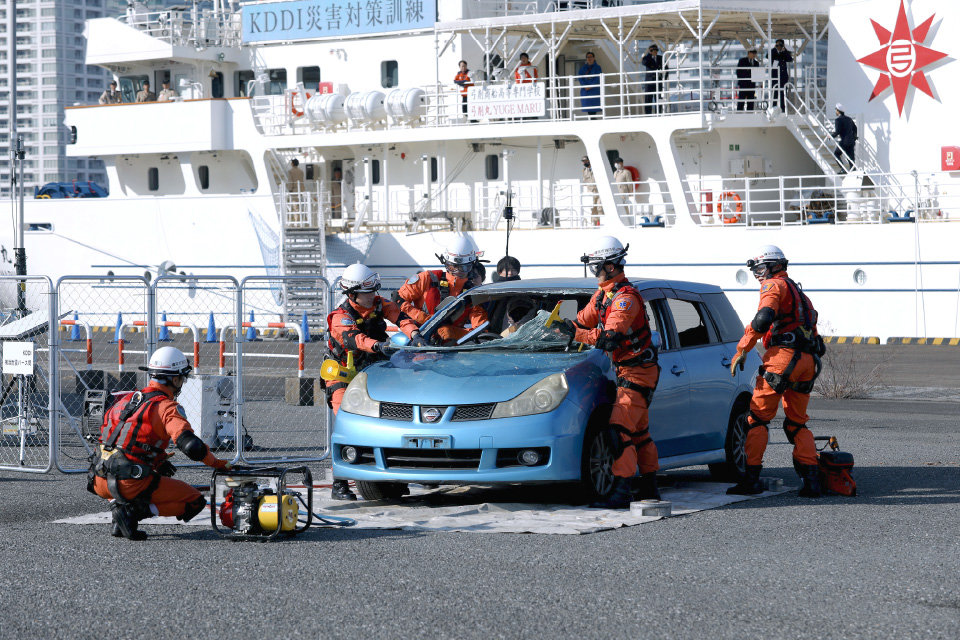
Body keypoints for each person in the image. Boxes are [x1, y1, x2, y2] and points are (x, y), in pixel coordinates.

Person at [555, 236, 660, 508]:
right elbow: (582, 320)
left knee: (618, 430)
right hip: (630, 370)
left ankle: (621, 491)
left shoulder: (625, 298)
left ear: (611, 266)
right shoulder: (604, 295)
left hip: (638, 372)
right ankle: (649, 487)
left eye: (596, 266)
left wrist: (576, 333)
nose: (594, 271)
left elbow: (609, 338)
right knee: (639, 433)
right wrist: (558, 328)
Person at [88, 347, 232, 540]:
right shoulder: (167, 407)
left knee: (139, 476)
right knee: (195, 501)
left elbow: (115, 438)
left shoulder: (124, 400)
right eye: (182, 378)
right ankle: (131, 513)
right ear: (175, 379)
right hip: (130, 482)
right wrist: (217, 463)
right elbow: (192, 447)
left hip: (99, 479)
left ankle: (120, 515)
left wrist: (157, 459)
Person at [728, 245, 826, 498]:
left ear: (774, 266)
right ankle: (812, 481)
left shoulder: (773, 286)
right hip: (808, 362)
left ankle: (750, 480)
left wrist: (743, 348)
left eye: (761, 268)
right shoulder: (800, 293)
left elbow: (763, 318)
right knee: (796, 423)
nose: (759, 274)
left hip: (783, 359)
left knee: (757, 418)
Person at [325, 264, 425, 500]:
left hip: (373, 371)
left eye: (374, 289)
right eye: (367, 290)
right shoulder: (340, 317)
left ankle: (392, 479)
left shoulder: (379, 304)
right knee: (346, 426)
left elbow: (401, 318)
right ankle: (340, 484)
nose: (373, 294)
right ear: (352, 294)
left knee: (392, 417)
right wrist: (378, 346)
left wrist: (415, 334)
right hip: (342, 375)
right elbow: (354, 339)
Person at [396, 237, 489, 342]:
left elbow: (480, 330)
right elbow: (398, 300)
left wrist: (455, 333)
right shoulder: (427, 278)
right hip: (419, 341)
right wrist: (424, 319)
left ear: (472, 265)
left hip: (452, 349)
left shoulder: (472, 293)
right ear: (446, 264)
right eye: (453, 267)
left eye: (465, 267)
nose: (459, 271)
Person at [578, 52, 602, 118]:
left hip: (594, 90)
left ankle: (592, 121)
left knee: (594, 109)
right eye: (588, 57)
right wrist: (585, 86)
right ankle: (592, 121)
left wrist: (591, 86)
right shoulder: (582, 68)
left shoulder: (597, 68)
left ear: (593, 58)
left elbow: (597, 77)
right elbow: (580, 78)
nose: (589, 58)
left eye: (591, 57)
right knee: (588, 109)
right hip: (586, 91)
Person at [770, 39, 793, 110]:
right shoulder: (773, 53)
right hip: (775, 76)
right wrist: (775, 48)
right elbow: (768, 56)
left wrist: (784, 50)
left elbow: (790, 59)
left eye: (780, 45)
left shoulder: (784, 53)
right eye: (777, 45)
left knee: (783, 94)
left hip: (783, 77)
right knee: (775, 93)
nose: (778, 46)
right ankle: (773, 107)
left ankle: (783, 109)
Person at [641, 45, 664, 115]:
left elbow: (666, 68)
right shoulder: (646, 58)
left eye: (655, 51)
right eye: (653, 51)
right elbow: (644, 63)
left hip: (658, 81)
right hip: (649, 82)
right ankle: (648, 115)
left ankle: (659, 113)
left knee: (659, 99)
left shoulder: (660, 58)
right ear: (650, 51)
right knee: (648, 99)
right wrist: (650, 54)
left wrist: (663, 78)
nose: (655, 52)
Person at [833, 103, 857, 173]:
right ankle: (853, 170)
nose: (836, 112)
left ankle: (843, 168)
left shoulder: (838, 120)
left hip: (844, 141)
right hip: (851, 141)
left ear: (838, 111)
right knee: (851, 157)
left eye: (836, 110)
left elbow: (837, 132)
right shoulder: (849, 119)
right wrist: (854, 137)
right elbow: (855, 128)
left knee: (836, 154)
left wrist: (831, 136)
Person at [581, 156, 600, 226]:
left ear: (589, 160)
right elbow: (585, 182)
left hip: (598, 192)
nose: (584, 162)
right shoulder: (584, 171)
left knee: (600, 208)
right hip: (590, 193)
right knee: (593, 209)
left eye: (586, 161)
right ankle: (594, 225)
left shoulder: (596, 169)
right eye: (583, 161)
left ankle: (602, 223)